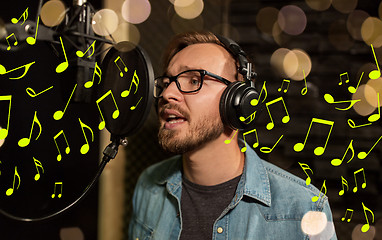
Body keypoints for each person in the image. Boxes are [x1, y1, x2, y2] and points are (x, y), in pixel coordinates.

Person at [128, 31, 337, 240]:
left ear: (237, 101)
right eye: (166, 83)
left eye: (193, 80)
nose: (167, 94)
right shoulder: (149, 185)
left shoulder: (306, 208)